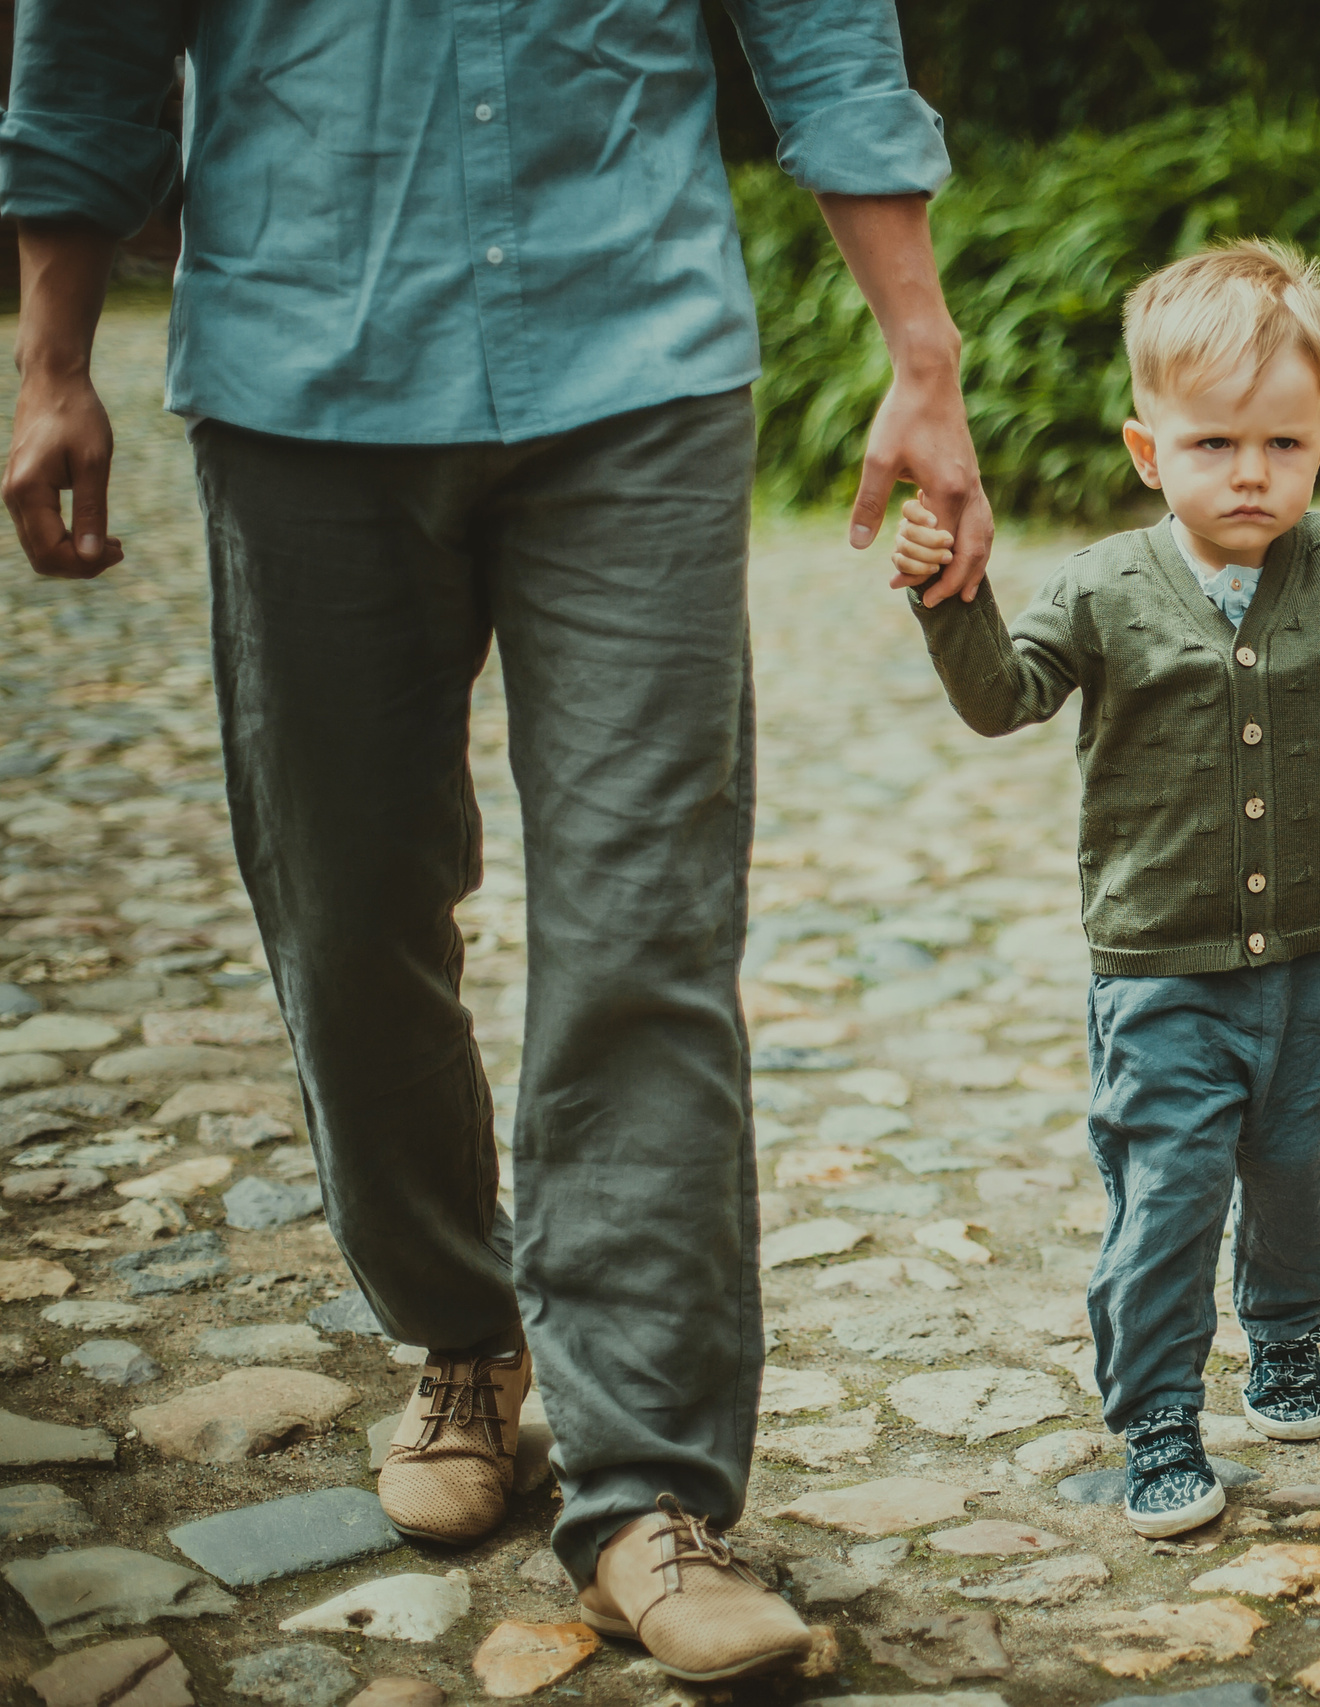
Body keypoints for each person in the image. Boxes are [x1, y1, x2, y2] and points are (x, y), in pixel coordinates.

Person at [1, 0, 990, 1681]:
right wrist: (48, 359)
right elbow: (90, 40)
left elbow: (821, 26)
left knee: (643, 933)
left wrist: (925, 357)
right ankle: (467, 1337)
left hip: (637, 366)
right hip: (300, 373)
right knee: (347, 913)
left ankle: (646, 1502)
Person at [889, 240, 1320, 1536]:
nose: (1251, 473)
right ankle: (1160, 1419)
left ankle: (1286, 1339)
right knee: (1167, 1209)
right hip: (1163, 977)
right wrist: (947, 599)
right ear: (1148, 450)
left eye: (1283, 445)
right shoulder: (1103, 588)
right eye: (1215, 444)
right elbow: (1004, 697)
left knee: (1303, 1185)